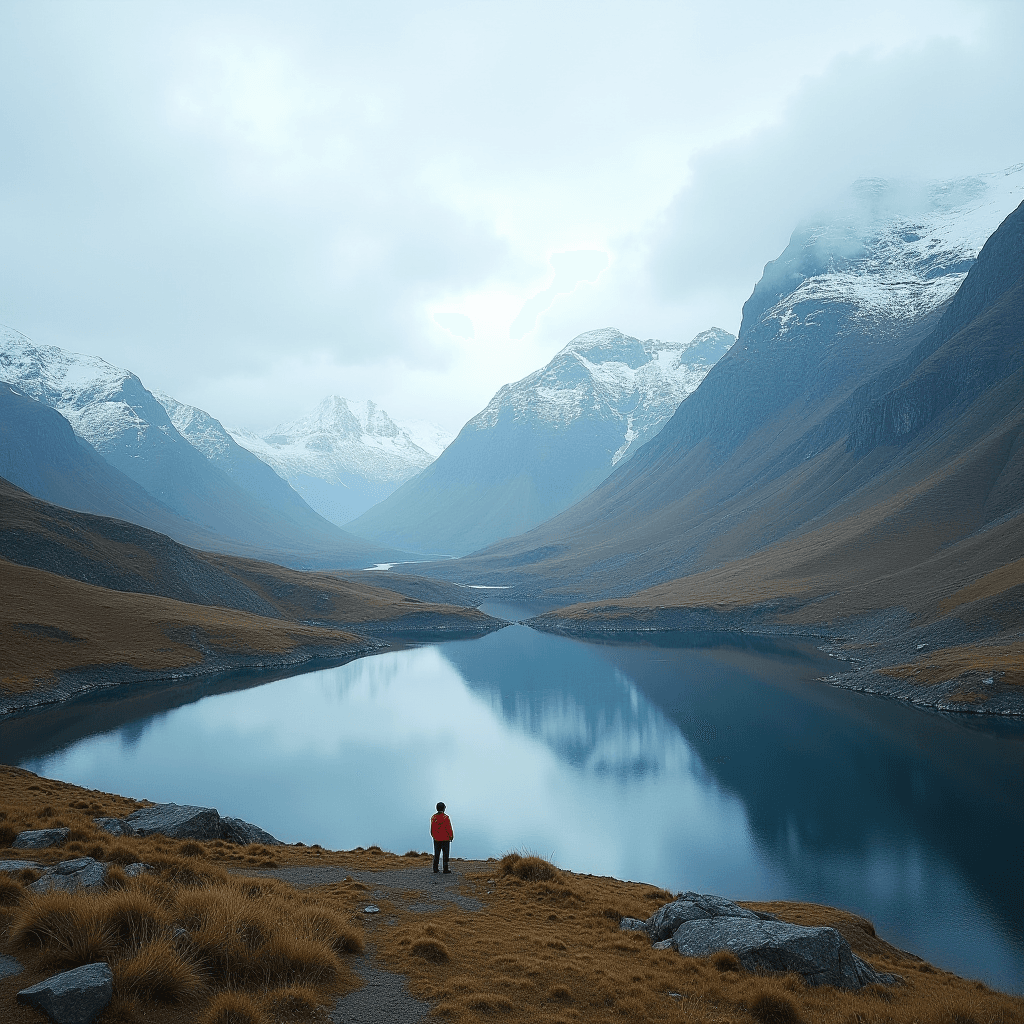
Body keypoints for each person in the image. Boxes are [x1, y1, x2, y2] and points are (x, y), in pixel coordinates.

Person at [430, 801, 454, 874]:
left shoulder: (433, 817)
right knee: (445, 854)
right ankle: (445, 869)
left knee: (436, 853)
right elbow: (448, 828)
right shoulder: (446, 817)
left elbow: (432, 829)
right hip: (445, 838)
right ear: (444, 808)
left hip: (436, 839)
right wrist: (451, 836)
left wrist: (433, 836)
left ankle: (435, 868)